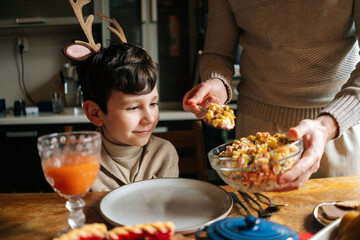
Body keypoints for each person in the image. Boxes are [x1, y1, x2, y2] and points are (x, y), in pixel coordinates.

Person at [183, 0, 360, 191]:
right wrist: (217, 82)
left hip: (338, 126)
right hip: (256, 129)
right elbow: (217, 53)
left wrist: (328, 125)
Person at [75, 41, 179, 191]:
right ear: (95, 113)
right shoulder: (77, 161)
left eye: (153, 104)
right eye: (133, 107)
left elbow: (163, 209)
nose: (149, 118)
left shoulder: (164, 154)